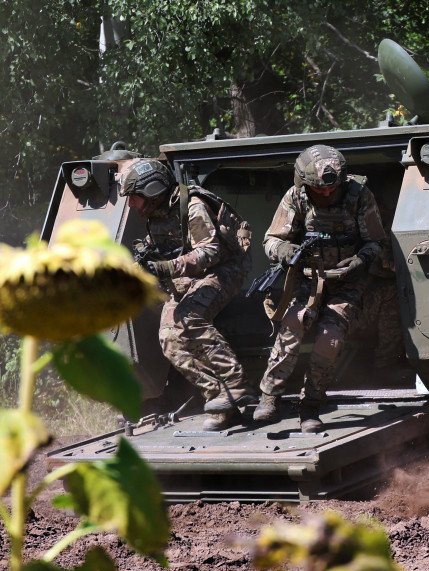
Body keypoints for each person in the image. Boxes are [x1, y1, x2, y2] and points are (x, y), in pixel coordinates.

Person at [252, 144, 386, 432]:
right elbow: (270, 240)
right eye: (319, 190)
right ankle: (269, 397)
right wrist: (285, 250)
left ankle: (311, 405)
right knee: (292, 324)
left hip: (348, 281)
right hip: (308, 278)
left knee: (330, 337)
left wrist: (360, 261)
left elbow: (377, 243)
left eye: (331, 189)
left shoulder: (358, 195)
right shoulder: (296, 197)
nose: (326, 193)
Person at [119, 158, 255, 431]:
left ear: (153, 190)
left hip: (225, 269)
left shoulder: (192, 206)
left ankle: (238, 386)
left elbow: (211, 251)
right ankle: (218, 395)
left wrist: (167, 267)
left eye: (134, 198)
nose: (131, 204)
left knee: (190, 316)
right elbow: (165, 246)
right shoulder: (154, 213)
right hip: (191, 275)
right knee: (169, 339)